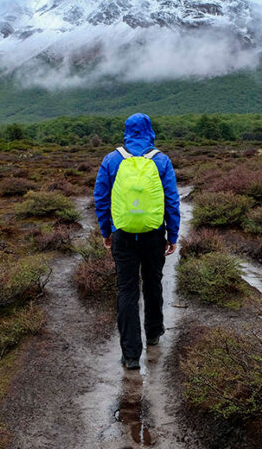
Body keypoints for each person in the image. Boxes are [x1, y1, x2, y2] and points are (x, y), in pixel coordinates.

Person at [94, 113, 180, 370]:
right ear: (150, 131)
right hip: (154, 234)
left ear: (126, 132)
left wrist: (106, 231)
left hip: (123, 235)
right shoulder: (161, 160)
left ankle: (131, 355)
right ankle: (153, 333)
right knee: (153, 281)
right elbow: (172, 201)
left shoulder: (112, 160)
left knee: (127, 290)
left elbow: (101, 198)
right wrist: (172, 235)